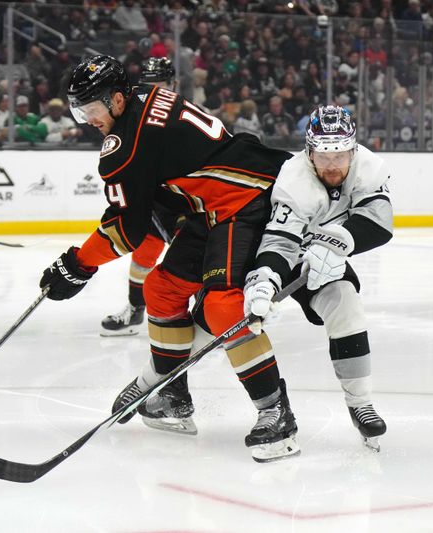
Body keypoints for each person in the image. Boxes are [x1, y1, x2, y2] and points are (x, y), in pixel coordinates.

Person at [39, 55, 298, 461]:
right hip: (212, 206)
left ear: (118, 99)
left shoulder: (124, 146)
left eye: (90, 109)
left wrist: (78, 265)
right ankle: (172, 394)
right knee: (161, 290)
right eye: (79, 110)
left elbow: (128, 229)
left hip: (245, 200)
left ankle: (275, 412)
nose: (86, 119)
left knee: (222, 306)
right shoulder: (148, 96)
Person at [243, 105, 391, 451]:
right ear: (309, 152)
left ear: (353, 149)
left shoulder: (368, 167)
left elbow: (379, 221)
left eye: (340, 154)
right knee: (234, 310)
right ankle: (168, 382)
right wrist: (266, 279)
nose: (332, 165)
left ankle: (361, 404)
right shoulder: (294, 178)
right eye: (323, 156)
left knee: (346, 303)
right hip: (291, 256)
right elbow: (280, 241)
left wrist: (336, 243)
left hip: (331, 256)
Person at [100, 56, 181, 336]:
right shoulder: (135, 114)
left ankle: (207, 317)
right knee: (143, 253)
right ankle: (135, 310)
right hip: (157, 201)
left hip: (190, 200)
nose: (154, 89)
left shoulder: (186, 111)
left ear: (173, 84)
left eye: (160, 84)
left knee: (196, 259)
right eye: (149, 84)